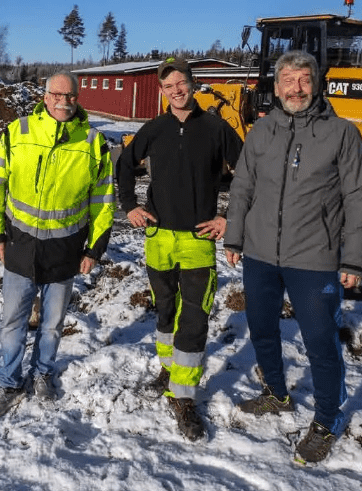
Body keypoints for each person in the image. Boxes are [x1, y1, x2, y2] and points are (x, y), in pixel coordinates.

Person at [223, 49, 362, 464]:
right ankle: (275, 391)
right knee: (261, 328)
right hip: (259, 253)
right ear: (276, 86)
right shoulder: (261, 131)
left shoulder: (341, 133)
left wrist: (353, 259)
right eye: (288, 79)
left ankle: (327, 418)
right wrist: (234, 239)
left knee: (320, 340)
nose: (296, 87)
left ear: (317, 83)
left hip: (314, 257)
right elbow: (242, 188)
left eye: (304, 79)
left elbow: (359, 198)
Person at [117, 58, 242, 441]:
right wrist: (130, 206)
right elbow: (124, 164)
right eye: (169, 85)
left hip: (197, 240)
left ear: (193, 84)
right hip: (158, 237)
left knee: (194, 317)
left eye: (182, 83)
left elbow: (250, 175)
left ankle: (183, 396)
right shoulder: (154, 128)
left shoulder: (216, 128)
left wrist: (229, 218)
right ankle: (169, 369)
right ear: (162, 90)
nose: (176, 90)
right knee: (166, 310)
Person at [0, 71, 115, 416]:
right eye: (57, 94)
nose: (63, 101)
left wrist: (94, 249)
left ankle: (42, 374)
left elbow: (102, 203)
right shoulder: (18, 132)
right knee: (13, 322)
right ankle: (10, 382)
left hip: (65, 251)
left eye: (70, 96)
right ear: (45, 96)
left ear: (77, 98)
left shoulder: (93, 143)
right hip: (20, 245)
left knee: (52, 324)